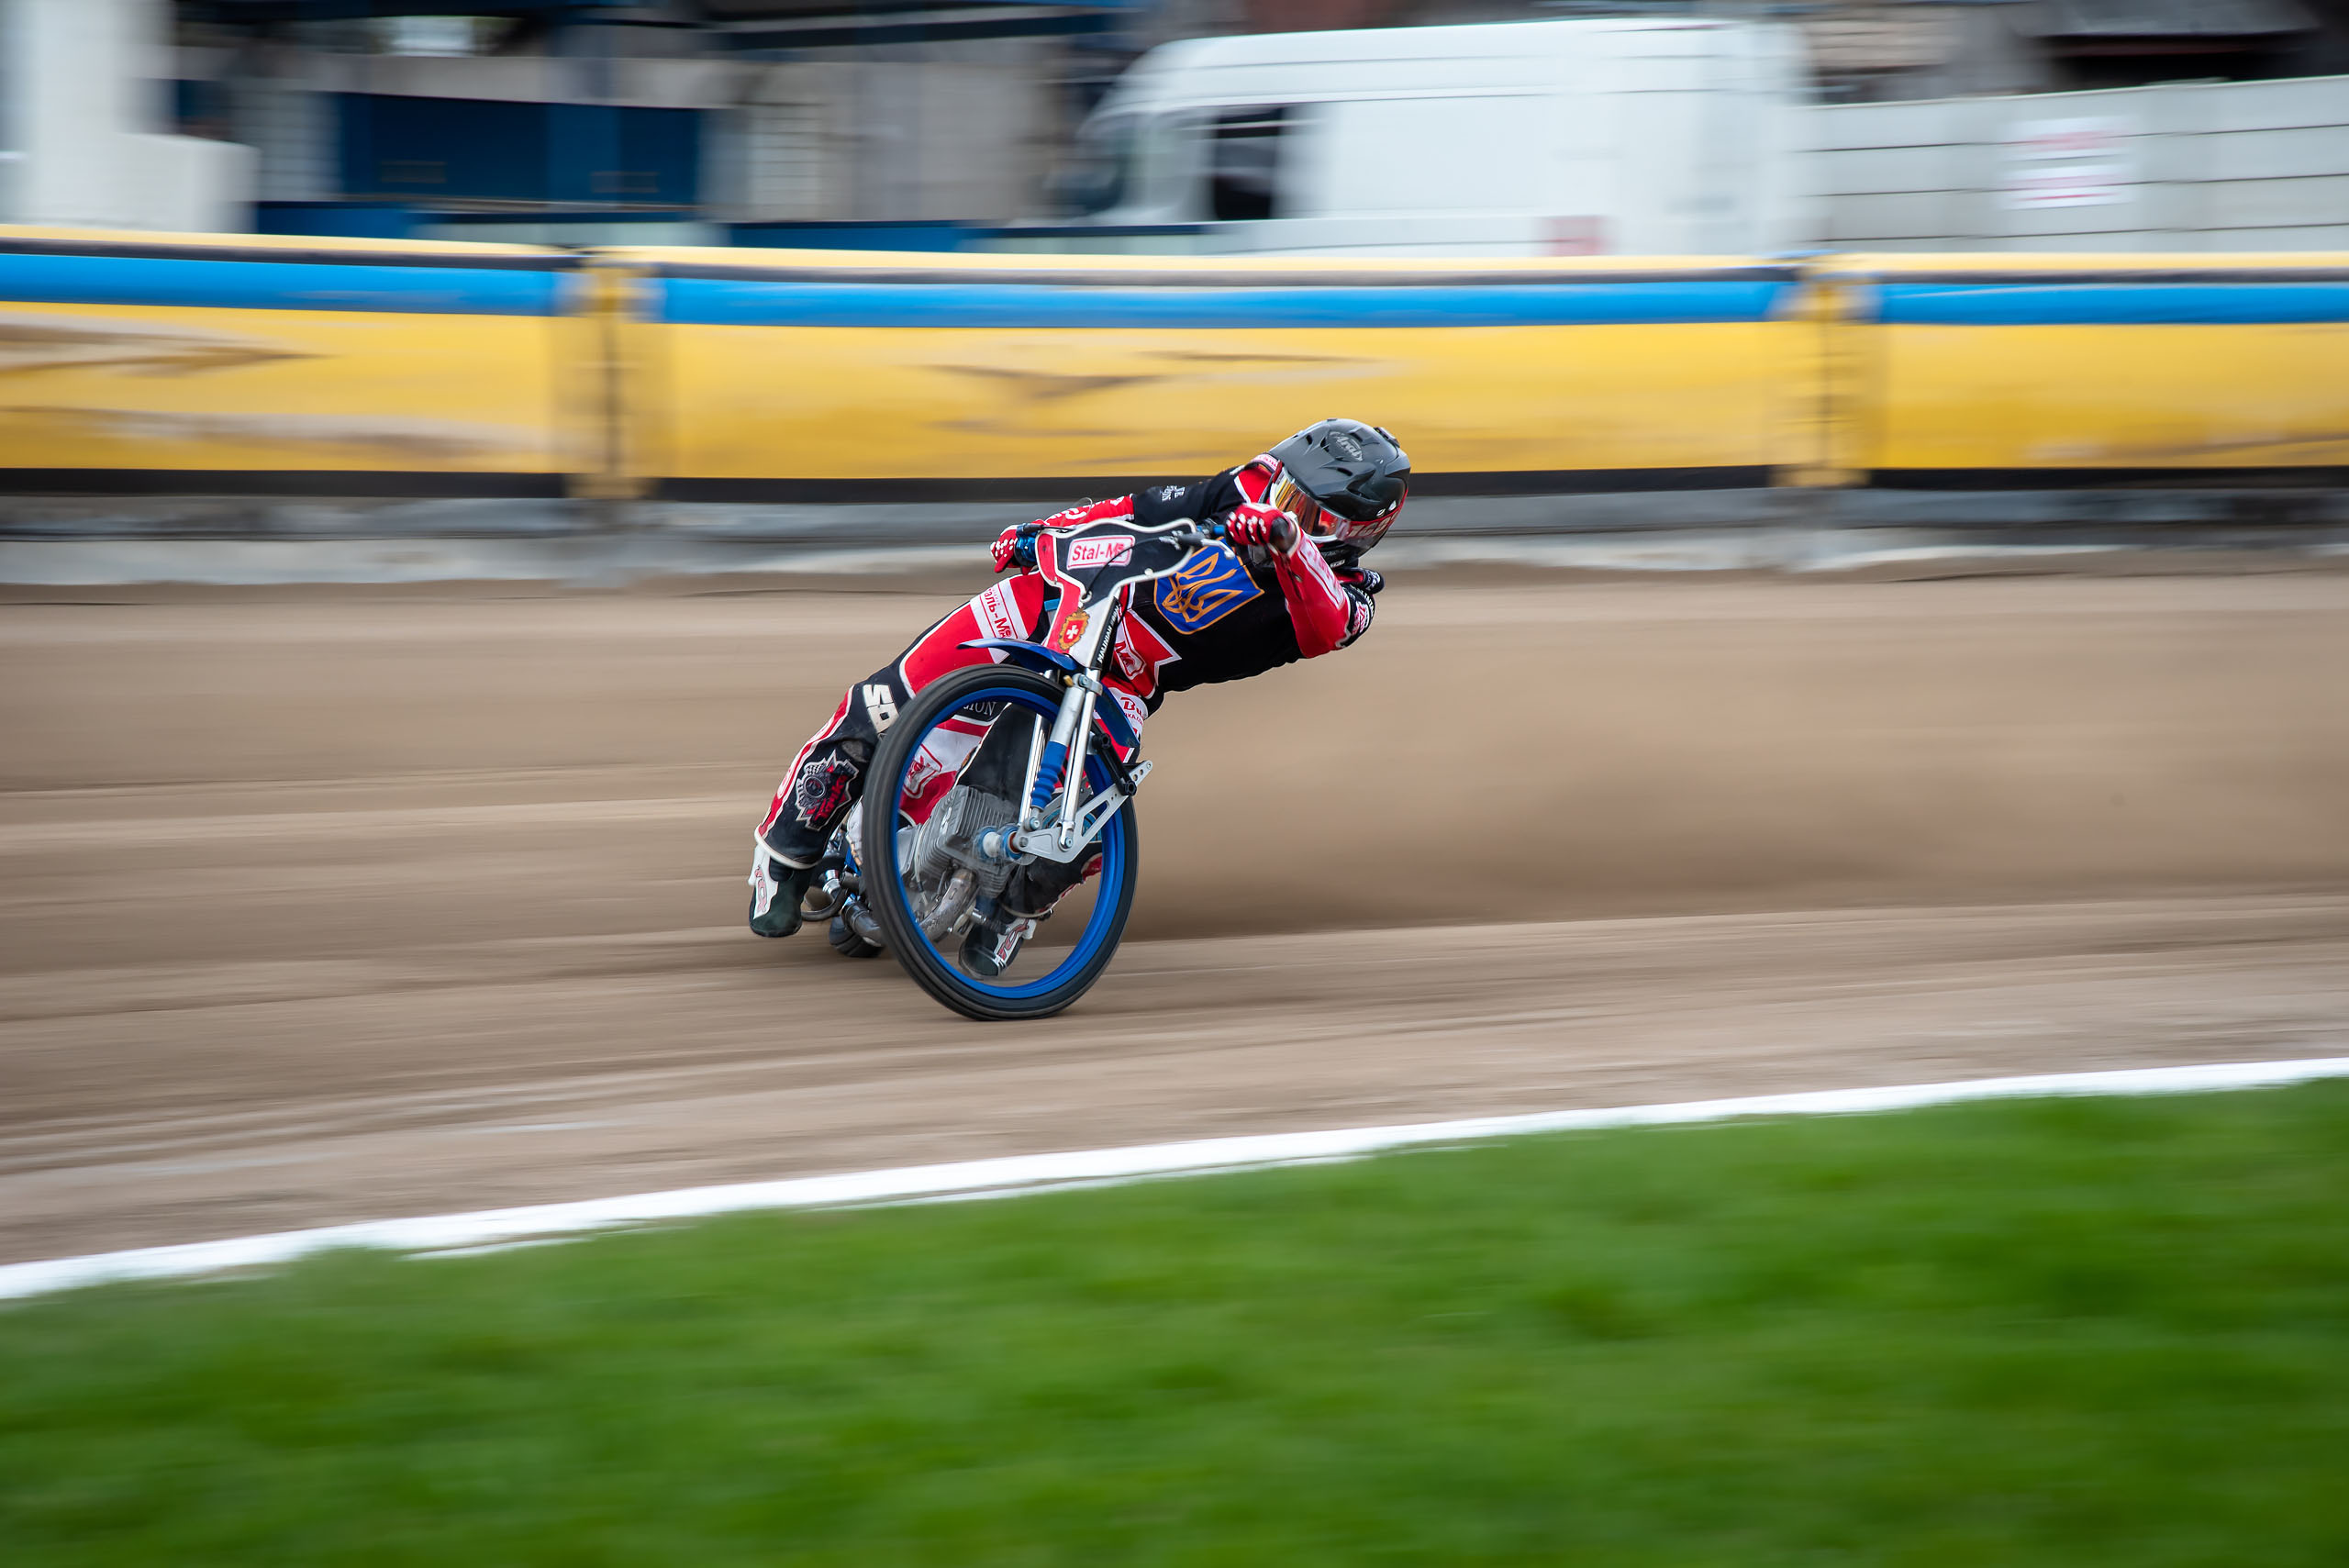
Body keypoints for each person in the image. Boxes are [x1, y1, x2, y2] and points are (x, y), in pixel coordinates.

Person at [749, 417, 1410, 967]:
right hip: (1056, 602)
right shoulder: (1250, 484)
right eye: (1286, 493)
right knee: (882, 705)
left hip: (1125, 680)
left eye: (1305, 510)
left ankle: (1011, 915)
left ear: (1357, 530)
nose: (1280, 507)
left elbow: (1326, 624)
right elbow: (1139, 508)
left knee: (1090, 824)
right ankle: (782, 858)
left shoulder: (1353, 597)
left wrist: (1288, 542)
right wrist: (1045, 530)